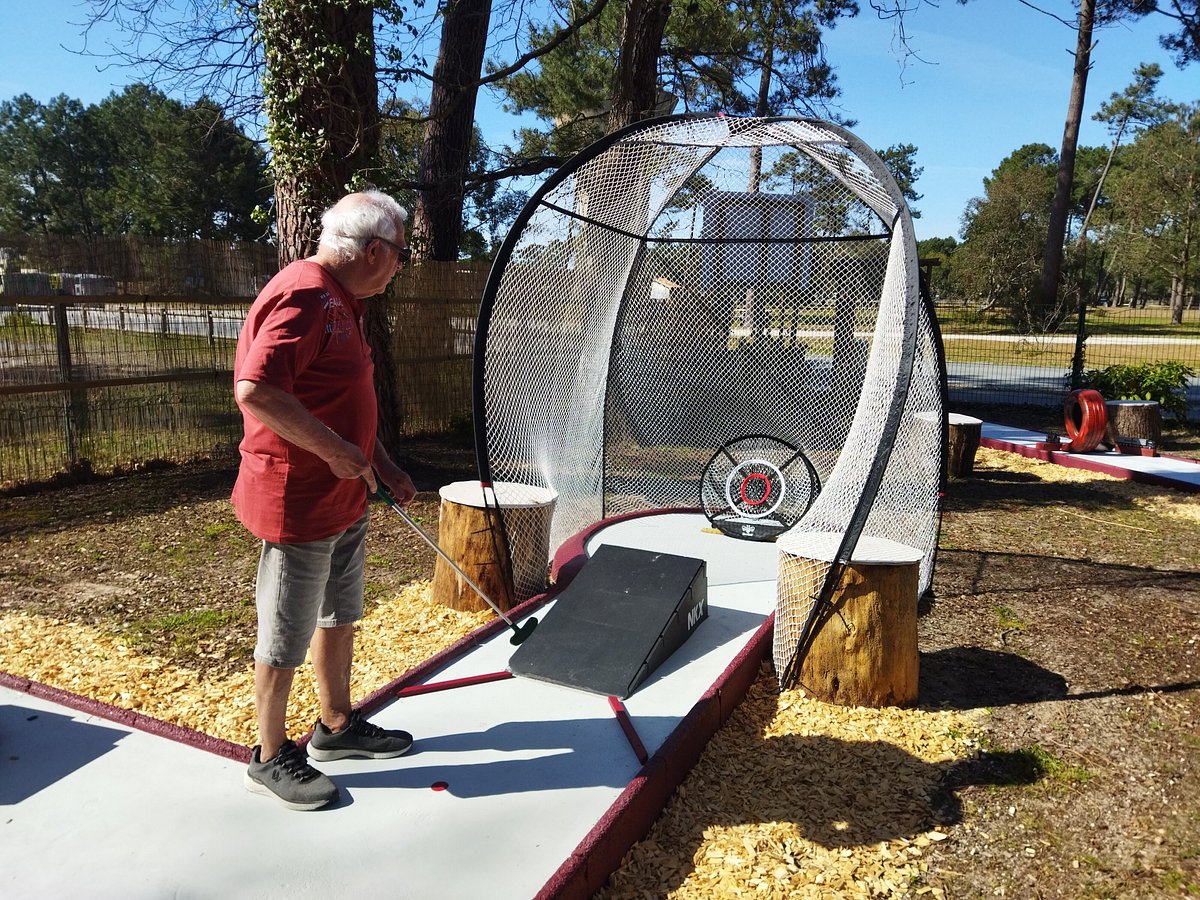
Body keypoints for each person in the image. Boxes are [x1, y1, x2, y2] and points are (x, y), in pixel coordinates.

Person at [232, 189, 418, 811]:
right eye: (398, 254)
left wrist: (381, 460)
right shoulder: (306, 295)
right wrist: (336, 451)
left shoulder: (345, 300)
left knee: (341, 611)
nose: (400, 265)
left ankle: (336, 726)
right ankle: (267, 753)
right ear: (372, 250)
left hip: (346, 495)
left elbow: (342, 395)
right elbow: (257, 389)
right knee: (286, 627)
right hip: (301, 497)